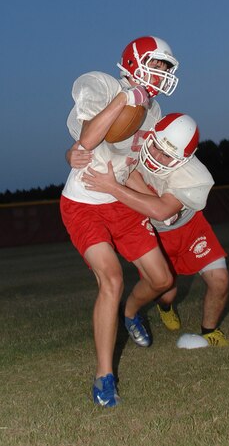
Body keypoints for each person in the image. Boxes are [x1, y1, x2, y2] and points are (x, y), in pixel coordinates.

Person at [60, 36, 179, 408]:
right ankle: (103, 375)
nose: (161, 74)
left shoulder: (155, 111)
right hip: (84, 202)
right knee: (111, 278)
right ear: (133, 62)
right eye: (156, 65)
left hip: (121, 201)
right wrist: (125, 98)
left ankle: (131, 313)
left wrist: (153, 201)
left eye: (165, 68)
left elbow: (134, 165)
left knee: (162, 280)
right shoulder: (101, 84)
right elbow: (87, 142)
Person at [81, 113, 229, 348]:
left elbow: (163, 212)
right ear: (150, 135)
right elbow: (90, 139)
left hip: (189, 227)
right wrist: (72, 153)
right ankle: (165, 306)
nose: (156, 157)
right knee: (166, 291)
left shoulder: (195, 176)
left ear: (185, 159)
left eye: (168, 155)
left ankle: (209, 330)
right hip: (153, 232)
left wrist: (114, 185)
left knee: (220, 280)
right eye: (157, 147)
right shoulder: (135, 137)